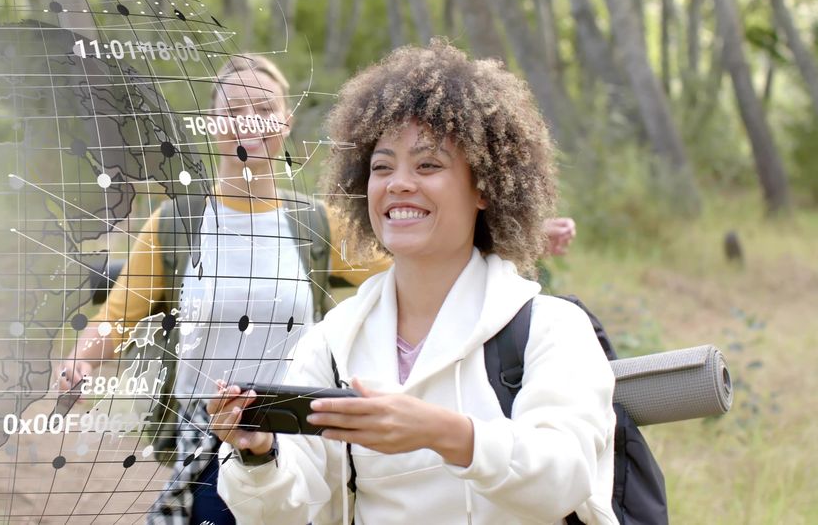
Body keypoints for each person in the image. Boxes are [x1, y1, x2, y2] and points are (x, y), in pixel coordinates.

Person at [208, 40, 618, 524]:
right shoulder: (333, 342)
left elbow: (564, 479)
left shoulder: (551, 328)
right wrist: (258, 455)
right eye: (382, 167)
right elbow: (284, 512)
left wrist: (444, 433)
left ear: (484, 187)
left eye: (428, 165)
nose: (398, 183)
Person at [55, 55, 387, 525]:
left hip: (298, 436)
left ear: (286, 122)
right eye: (233, 110)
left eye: (264, 109)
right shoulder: (176, 225)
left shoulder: (317, 225)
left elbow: (405, 275)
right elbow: (117, 315)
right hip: (212, 436)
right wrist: (80, 361)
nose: (248, 121)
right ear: (212, 124)